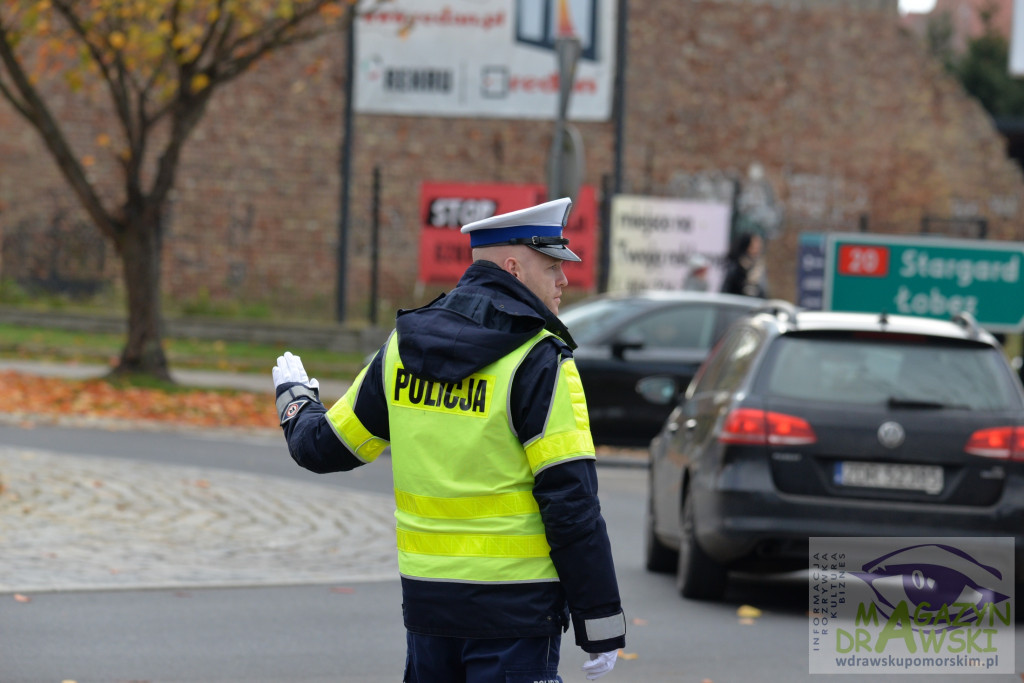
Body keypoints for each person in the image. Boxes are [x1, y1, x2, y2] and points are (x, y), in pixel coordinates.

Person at [272, 197, 626, 682]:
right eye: (552, 266)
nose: (565, 280)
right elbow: (573, 505)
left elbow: (323, 448)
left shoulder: (401, 349)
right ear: (514, 267)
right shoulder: (540, 363)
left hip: (428, 614)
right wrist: (600, 621)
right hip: (515, 619)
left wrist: (295, 400)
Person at [721, 233, 767, 298]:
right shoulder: (736, 267)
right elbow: (726, 291)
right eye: (755, 244)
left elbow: (764, 293)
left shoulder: (759, 267)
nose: (759, 247)